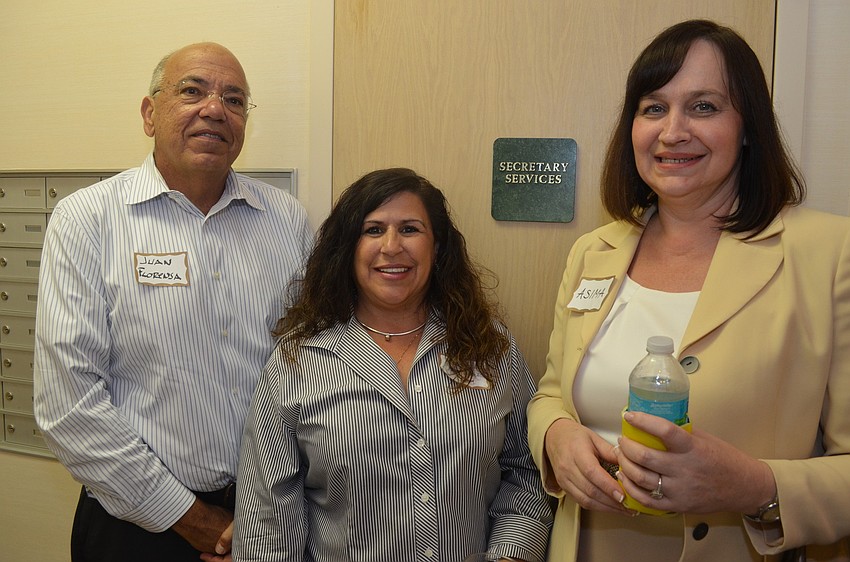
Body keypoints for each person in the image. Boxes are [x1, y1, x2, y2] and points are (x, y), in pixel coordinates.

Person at [527, 19, 850, 562]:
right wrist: (555, 435)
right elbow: (551, 393)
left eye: (704, 107)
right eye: (654, 107)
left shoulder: (830, 254)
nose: (672, 131)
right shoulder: (594, 251)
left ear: (749, 128)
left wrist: (752, 486)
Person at [33, 42, 312, 562]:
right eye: (192, 91)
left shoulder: (287, 221)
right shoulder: (87, 220)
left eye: (234, 99)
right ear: (149, 113)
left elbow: (315, 370)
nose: (214, 109)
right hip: (137, 527)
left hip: (266, 518)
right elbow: (68, 406)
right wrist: (195, 521)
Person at [232, 168, 554, 562]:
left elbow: (525, 470)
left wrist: (510, 554)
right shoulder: (296, 361)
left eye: (410, 229)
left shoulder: (489, 347)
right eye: (372, 230)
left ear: (437, 248)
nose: (391, 246)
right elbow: (267, 519)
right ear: (347, 248)